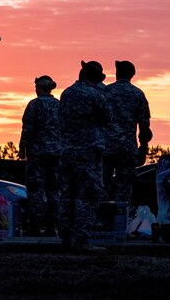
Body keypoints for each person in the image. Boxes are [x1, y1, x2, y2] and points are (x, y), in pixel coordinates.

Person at [58, 61, 111, 252]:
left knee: (67, 195)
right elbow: (108, 117)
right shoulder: (94, 95)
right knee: (88, 195)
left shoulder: (66, 93)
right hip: (88, 151)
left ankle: (65, 237)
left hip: (67, 150)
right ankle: (82, 239)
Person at [102, 60, 152, 206]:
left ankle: (102, 221)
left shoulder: (105, 92)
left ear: (117, 73)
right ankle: (120, 222)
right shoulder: (138, 94)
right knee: (124, 188)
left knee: (102, 185)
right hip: (127, 149)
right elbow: (144, 126)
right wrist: (143, 148)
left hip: (105, 148)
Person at [19, 75, 62, 236]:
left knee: (36, 190)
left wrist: (23, 146)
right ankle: (52, 226)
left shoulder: (34, 105)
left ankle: (35, 226)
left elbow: (28, 128)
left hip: (37, 153)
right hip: (56, 153)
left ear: (40, 87)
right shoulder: (59, 105)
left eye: (36, 86)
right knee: (54, 190)